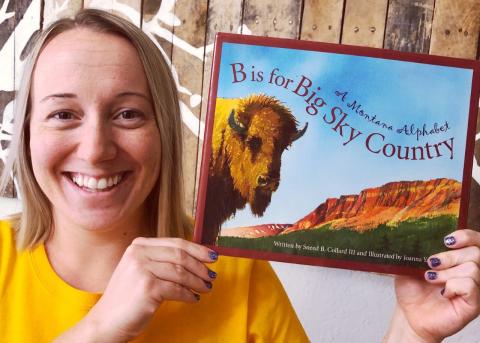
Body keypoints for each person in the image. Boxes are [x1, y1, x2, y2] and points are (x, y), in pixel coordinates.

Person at [0, 9, 478, 342]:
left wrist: (411, 333)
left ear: (164, 131)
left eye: (128, 114)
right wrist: (102, 327)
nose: (96, 149)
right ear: (24, 134)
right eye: (62, 114)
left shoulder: (235, 273)